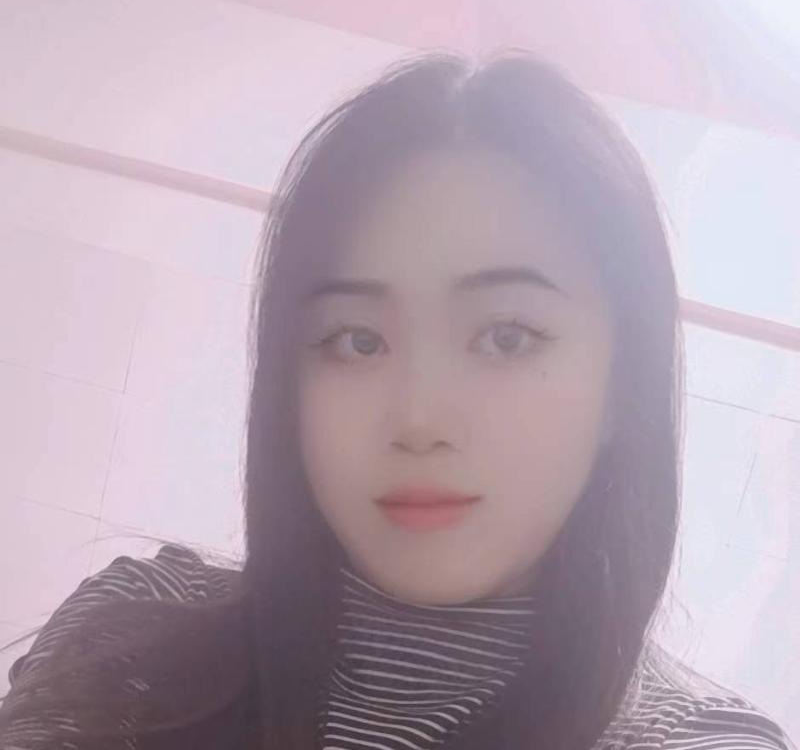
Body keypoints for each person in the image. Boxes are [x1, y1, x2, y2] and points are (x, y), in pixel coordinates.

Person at [0, 51, 794, 750]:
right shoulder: (129, 637)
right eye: (356, 340)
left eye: (507, 337)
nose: (419, 419)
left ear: (622, 384)